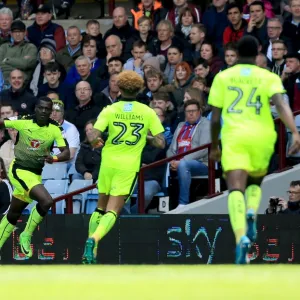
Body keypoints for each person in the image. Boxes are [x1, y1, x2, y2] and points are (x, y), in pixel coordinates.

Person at [208, 35, 300, 264]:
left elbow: (215, 117)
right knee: (255, 182)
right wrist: (295, 132)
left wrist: (214, 145)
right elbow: (282, 104)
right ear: (258, 53)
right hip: (262, 136)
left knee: (235, 187)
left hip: (235, 137)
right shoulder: (268, 76)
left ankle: (241, 236)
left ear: (237, 53)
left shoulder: (223, 77)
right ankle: (251, 210)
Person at [82, 70, 165, 264]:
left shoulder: (110, 109)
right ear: (140, 89)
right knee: (113, 210)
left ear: (119, 88)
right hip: (128, 166)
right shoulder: (147, 111)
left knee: (100, 207)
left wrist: (96, 143)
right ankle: (93, 239)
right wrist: (146, 136)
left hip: (108, 162)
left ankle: (91, 253)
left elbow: (93, 135)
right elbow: (161, 143)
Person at [0, 96, 70, 258]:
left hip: (35, 175)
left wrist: (54, 158)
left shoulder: (55, 129)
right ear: (36, 109)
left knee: (13, 214)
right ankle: (26, 235)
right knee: (47, 201)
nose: (44, 111)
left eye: (48, 109)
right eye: (41, 108)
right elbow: (3, 122)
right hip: (19, 170)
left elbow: (65, 152)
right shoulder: (23, 121)